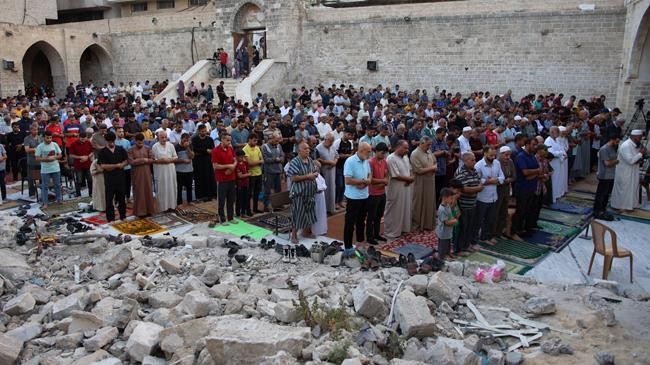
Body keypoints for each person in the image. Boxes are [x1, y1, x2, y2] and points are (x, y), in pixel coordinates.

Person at [342, 142, 372, 254]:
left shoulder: (366, 161)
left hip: (364, 196)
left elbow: (369, 174)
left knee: (361, 221)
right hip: (353, 198)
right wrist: (363, 181)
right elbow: (348, 180)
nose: (369, 154)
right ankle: (348, 247)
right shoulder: (350, 161)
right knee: (350, 223)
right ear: (362, 150)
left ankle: (360, 243)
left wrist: (366, 181)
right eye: (368, 152)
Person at [287, 142, 319, 244]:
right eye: (305, 149)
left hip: (309, 191)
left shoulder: (310, 160)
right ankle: (294, 235)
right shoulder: (295, 162)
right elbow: (293, 178)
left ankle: (306, 232)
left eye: (308, 148)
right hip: (298, 193)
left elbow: (314, 171)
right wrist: (307, 176)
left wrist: (315, 174)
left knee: (309, 212)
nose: (308, 150)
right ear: (299, 150)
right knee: (297, 214)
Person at [454, 152, 483, 255]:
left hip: (472, 203)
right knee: (463, 227)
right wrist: (477, 189)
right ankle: (459, 249)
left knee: (470, 226)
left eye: (474, 159)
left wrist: (475, 189)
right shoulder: (461, 172)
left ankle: (467, 245)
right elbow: (464, 189)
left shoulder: (473, 170)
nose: (474, 162)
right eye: (472, 160)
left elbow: (479, 183)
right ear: (465, 161)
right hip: (463, 204)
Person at [384, 140, 414, 239]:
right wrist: (409, 179)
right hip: (395, 188)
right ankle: (391, 231)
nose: (407, 150)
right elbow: (395, 175)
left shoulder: (405, 157)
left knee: (405, 208)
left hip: (406, 186)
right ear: (398, 147)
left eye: (407, 148)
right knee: (394, 210)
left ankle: (403, 228)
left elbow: (410, 169)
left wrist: (410, 178)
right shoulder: (391, 158)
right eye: (405, 148)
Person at [611, 130, 646, 212]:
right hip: (625, 172)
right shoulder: (626, 145)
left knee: (631, 189)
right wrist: (640, 153)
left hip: (632, 171)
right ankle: (619, 206)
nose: (640, 139)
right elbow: (630, 160)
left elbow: (635, 158)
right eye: (640, 138)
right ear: (635, 137)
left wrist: (640, 158)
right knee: (624, 190)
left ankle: (629, 205)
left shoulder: (635, 145)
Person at [512, 137, 540, 240]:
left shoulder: (532, 156)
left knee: (528, 210)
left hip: (531, 187)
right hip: (522, 187)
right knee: (520, 211)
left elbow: (536, 171)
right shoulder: (521, 156)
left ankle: (522, 229)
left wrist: (534, 173)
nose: (535, 147)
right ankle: (513, 232)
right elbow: (525, 173)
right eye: (533, 145)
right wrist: (536, 171)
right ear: (527, 145)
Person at [475, 146, 504, 244]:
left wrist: (494, 180)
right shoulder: (478, 165)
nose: (493, 157)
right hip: (482, 197)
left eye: (494, 155)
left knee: (491, 219)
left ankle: (487, 236)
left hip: (493, 196)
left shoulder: (497, 163)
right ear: (485, 154)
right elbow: (477, 180)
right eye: (491, 155)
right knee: (479, 220)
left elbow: (502, 177)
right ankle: (476, 239)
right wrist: (489, 181)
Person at [98, 132, 129, 222]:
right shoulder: (103, 152)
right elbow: (103, 166)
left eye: (112, 142)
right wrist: (116, 166)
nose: (111, 144)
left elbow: (126, 161)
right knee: (109, 199)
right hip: (109, 179)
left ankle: (123, 215)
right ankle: (110, 218)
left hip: (120, 177)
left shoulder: (120, 149)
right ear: (106, 141)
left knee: (121, 198)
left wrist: (122, 164)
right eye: (109, 142)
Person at [410, 136, 437, 231]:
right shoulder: (415, 154)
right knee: (419, 203)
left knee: (429, 202)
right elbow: (418, 170)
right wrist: (432, 168)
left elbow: (435, 162)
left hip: (430, 181)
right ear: (421, 143)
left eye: (430, 144)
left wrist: (433, 168)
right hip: (420, 182)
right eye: (427, 144)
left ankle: (428, 223)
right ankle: (417, 224)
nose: (429, 146)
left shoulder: (429, 151)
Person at [128, 133, 157, 217]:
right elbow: (132, 162)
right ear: (135, 141)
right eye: (139, 142)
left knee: (148, 190)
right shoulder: (131, 150)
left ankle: (149, 210)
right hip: (137, 174)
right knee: (138, 191)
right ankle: (140, 212)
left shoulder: (147, 148)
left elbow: (152, 159)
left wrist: (141, 160)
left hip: (147, 173)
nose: (140, 144)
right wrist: (144, 159)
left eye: (142, 142)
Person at [592, 135, 620, 220]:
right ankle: (598, 210)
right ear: (612, 139)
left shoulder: (612, 148)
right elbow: (607, 163)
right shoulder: (604, 149)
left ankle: (603, 209)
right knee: (601, 194)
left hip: (611, 175)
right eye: (616, 141)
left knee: (606, 194)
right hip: (605, 175)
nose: (617, 143)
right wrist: (616, 161)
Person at [366, 142, 389, 245]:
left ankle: (376, 234)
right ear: (376, 152)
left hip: (382, 192)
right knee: (371, 216)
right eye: (382, 153)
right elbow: (370, 179)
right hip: (373, 193)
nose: (383, 155)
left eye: (385, 153)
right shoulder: (370, 162)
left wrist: (384, 181)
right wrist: (383, 181)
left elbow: (386, 175)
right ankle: (370, 237)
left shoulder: (384, 162)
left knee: (379, 215)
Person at [212, 134, 237, 224]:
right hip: (222, 179)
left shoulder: (230, 149)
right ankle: (222, 219)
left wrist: (232, 168)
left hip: (231, 178)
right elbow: (215, 166)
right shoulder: (216, 151)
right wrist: (228, 166)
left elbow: (235, 160)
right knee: (222, 200)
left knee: (231, 199)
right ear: (222, 140)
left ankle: (230, 217)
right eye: (227, 140)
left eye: (230, 140)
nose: (229, 142)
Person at [35, 131, 62, 209]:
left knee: (57, 185)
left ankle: (59, 199)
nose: (49, 139)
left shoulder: (55, 144)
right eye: (47, 138)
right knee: (45, 187)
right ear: (44, 138)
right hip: (45, 169)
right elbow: (37, 158)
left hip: (56, 168)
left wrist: (54, 158)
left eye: (50, 137)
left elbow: (60, 155)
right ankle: (45, 203)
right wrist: (46, 159)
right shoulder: (40, 146)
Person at [152, 131, 178, 212]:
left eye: (165, 137)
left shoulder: (170, 145)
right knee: (162, 189)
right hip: (160, 171)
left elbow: (176, 157)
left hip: (170, 171)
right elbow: (153, 159)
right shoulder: (155, 146)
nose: (164, 139)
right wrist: (161, 160)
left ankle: (172, 206)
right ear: (158, 138)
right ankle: (163, 208)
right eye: (162, 137)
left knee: (171, 187)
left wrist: (169, 160)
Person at [494, 146, 516, 238]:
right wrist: (504, 180)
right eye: (506, 155)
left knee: (503, 211)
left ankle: (499, 232)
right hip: (497, 189)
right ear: (501, 154)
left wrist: (507, 180)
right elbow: (496, 178)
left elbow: (514, 176)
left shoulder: (510, 162)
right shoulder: (496, 163)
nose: (507, 157)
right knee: (496, 211)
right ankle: (492, 233)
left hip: (506, 189)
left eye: (509, 155)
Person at [192, 124, 217, 199]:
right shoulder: (194, 139)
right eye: (203, 131)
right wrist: (206, 150)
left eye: (205, 131)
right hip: (198, 162)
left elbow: (212, 150)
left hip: (208, 161)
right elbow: (195, 149)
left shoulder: (210, 139)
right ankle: (200, 196)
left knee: (209, 178)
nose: (204, 132)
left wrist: (204, 151)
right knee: (199, 179)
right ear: (199, 131)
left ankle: (210, 195)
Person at [315, 133, 339, 214]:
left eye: (332, 141)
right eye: (330, 141)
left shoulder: (332, 146)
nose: (331, 143)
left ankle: (331, 208)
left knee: (332, 189)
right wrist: (328, 162)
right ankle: (324, 210)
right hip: (324, 171)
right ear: (325, 140)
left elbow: (336, 156)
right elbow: (317, 159)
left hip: (332, 170)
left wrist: (334, 162)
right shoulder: (318, 147)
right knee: (324, 190)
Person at [544, 126, 568, 203]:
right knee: (554, 179)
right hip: (553, 162)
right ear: (551, 132)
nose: (558, 134)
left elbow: (562, 148)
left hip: (559, 162)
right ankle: (553, 197)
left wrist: (563, 154)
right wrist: (560, 154)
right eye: (556, 132)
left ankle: (558, 194)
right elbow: (550, 152)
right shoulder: (548, 140)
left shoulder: (557, 140)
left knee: (558, 179)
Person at [333, 128, 354, 209]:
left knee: (345, 185)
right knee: (339, 185)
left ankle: (341, 201)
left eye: (351, 135)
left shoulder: (350, 143)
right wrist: (345, 155)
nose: (349, 136)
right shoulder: (338, 142)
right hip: (338, 166)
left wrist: (345, 155)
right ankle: (335, 202)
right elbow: (336, 154)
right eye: (348, 134)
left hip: (346, 167)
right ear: (344, 133)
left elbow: (351, 153)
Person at [262, 132, 284, 211]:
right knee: (267, 190)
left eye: (278, 141)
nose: (277, 142)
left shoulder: (278, 145)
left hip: (278, 170)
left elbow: (282, 155)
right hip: (269, 171)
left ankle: (277, 204)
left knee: (278, 189)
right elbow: (265, 159)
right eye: (276, 140)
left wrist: (281, 159)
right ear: (271, 139)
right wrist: (275, 159)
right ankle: (266, 206)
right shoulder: (264, 147)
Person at [242, 134, 263, 214]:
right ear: (249, 139)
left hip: (259, 173)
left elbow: (262, 160)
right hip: (250, 174)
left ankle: (255, 208)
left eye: (256, 140)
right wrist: (258, 162)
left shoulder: (257, 148)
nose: (256, 142)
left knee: (257, 192)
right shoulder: (245, 149)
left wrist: (256, 162)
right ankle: (248, 210)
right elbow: (249, 163)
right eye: (254, 140)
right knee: (249, 193)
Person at [68, 132, 94, 197]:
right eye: (82, 138)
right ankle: (78, 194)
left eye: (84, 138)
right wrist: (80, 157)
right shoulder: (74, 144)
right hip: (78, 165)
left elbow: (92, 151)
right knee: (79, 180)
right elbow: (71, 155)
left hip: (87, 164)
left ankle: (91, 193)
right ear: (79, 137)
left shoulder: (88, 142)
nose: (83, 140)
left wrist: (87, 157)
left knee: (90, 179)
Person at [436, 188, 458, 261]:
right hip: (443, 231)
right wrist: (454, 221)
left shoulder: (447, 205)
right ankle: (442, 256)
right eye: (450, 198)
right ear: (445, 198)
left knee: (448, 243)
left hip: (448, 231)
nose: (451, 200)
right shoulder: (442, 209)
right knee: (443, 245)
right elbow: (446, 222)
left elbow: (450, 215)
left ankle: (448, 253)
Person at [175, 133, 195, 206]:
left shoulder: (190, 146)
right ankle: (179, 202)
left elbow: (192, 156)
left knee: (189, 187)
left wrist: (187, 148)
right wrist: (183, 161)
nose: (186, 141)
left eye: (188, 140)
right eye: (185, 139)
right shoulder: (176, 147)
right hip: (179, 171)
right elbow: (174, 160)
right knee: (179, 188)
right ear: (181, 139)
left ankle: (189, 201)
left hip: (189, 170)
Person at [23, 124, 42, 197]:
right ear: (30, 130)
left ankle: (44, 191)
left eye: (37, 130)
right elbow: (27, 150)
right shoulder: (27, 138)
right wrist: (37, 149)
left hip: (41, 160)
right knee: (31, 178)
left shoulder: (40, 138)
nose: (36, 131)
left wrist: (37, 149)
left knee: (43, 176)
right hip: (32, 161)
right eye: (34, 130)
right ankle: (32, 193)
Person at [432, 127, 449, 204]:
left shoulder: (443, 141)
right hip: (435, 171)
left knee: (441, 191)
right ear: (437, 134)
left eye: (444, 135)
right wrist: (442, 152)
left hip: (443, 169)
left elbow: (447, 151)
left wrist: (443, 152)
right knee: (435, 191)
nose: (443, 137)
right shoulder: (432, 142)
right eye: (442, 135)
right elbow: (431, 155)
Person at [114, 127, 132, 200]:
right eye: (119, 132)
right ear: (116, 133)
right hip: (118, 166)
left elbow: (129, 153)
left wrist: (127, 162)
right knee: (119, 184)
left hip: (127, 166)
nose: (121, 133)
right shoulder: (114, 142)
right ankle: (119, 199)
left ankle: (128, 197)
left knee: (128, 183)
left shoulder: (127, 142)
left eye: (122, 131)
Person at [235, 149, 251, 217]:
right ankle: (238, 213)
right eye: (241, 157)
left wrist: (246, 175)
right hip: (239, 185)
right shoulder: (236, 165)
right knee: (239, 199)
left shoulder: (245, 163)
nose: (242, 158)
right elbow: (239, 176)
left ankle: (243, 212)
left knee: (245, 198)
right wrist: (247, 175)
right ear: (236, 157)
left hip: (246, 184)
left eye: (243, 157)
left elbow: (249, 171)